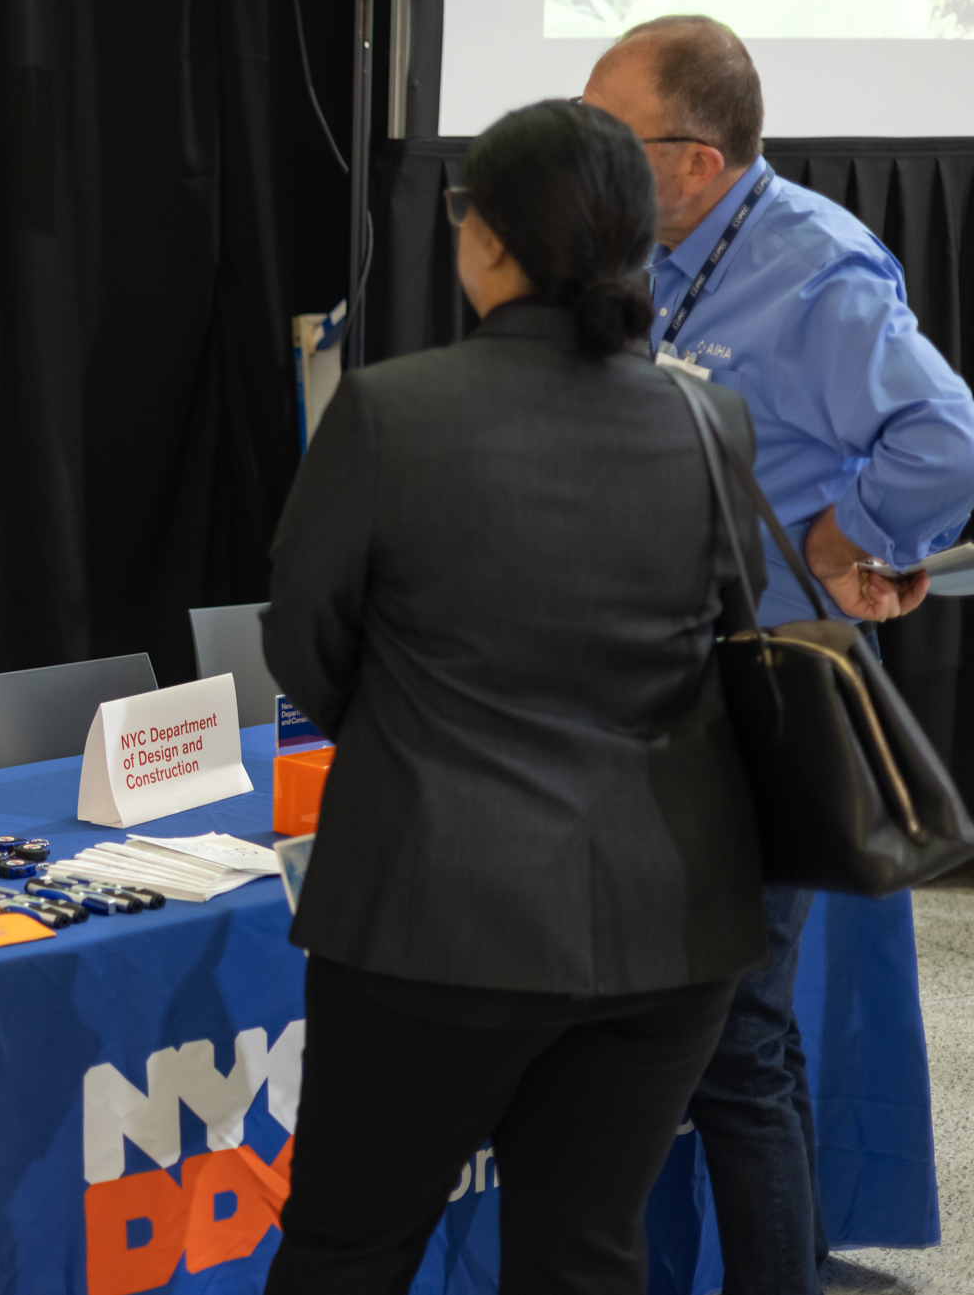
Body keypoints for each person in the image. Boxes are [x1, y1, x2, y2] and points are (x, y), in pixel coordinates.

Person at [260, 100, 769, 1294]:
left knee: (352, 1242)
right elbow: (727, 638)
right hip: (671, 918)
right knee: (586, 1251)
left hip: (436, 915)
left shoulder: (389, 410)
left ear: (484, 238)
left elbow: (306, 647)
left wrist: (416, 740)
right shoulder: (711, 416)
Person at [582, 15, 974, 1295]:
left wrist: (844, 537)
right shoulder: (635, 253)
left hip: (751, 705)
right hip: (630, 701)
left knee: (739, 1043)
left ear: (697, 161)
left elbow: (955, 445)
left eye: (612, 133)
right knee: (656, 1037)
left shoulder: (816, 266)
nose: (584, 153)